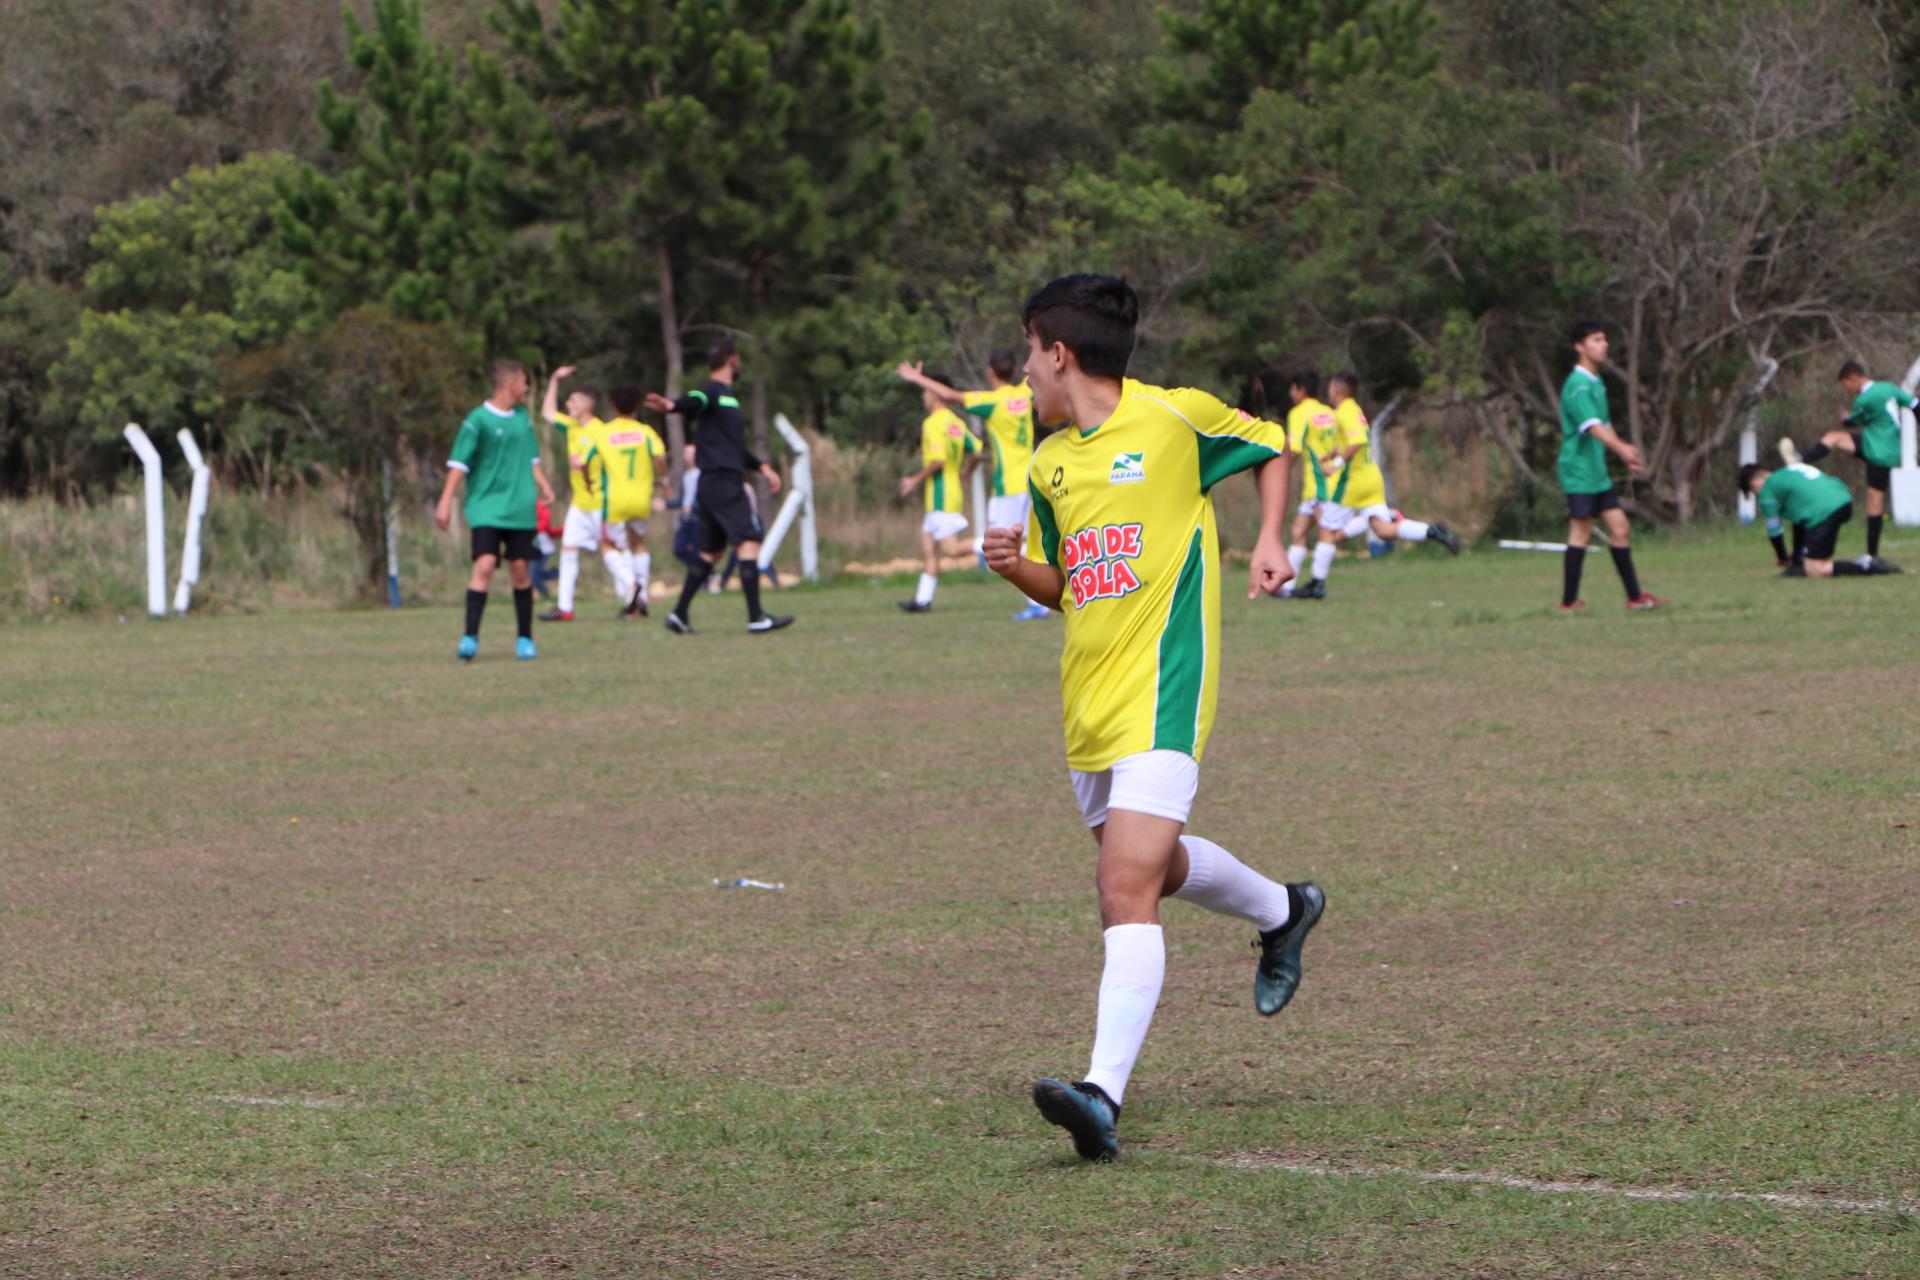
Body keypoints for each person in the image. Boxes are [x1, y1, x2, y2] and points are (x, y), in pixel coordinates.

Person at [982, 273, 1324, 1163]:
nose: (1023, 375)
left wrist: (1272, 537)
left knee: (1122, 887)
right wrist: (1014, 568)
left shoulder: (1175, 421)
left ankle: (1101, 1095)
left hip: (1166, 690)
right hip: (1087, 703)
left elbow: (1273, 446)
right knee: (1153, 866)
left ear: (1058, 353)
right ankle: (1285, 909)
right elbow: (1068, 590)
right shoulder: (1049, 463)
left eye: (1027, 354)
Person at [644, 338, 793, 635]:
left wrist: (762, 466)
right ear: (731, 359)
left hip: (712, 482)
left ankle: (679, 615)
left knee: (710, 553)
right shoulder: (712, 391)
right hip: (722, 482)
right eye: (737, 359)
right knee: (749, 540)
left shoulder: (729, 397)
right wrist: (673, 405)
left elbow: (733, 446)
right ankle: (756, 617)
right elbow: (695, 399)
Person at [897, 351, 1050, 619]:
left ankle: (1039, 601)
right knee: (1018, 539)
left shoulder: (992, 402)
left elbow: (952, 395)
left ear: (991, 372)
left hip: (1006, 485)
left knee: (1001, 545)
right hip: (1030, 477)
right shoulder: (1024, 395)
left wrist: (917, 379)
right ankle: (1037, 601)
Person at [434, 360, 556, 661]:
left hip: (520, 507)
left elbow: (531, 458)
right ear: (509, 384)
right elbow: (458, 463)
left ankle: (525, 639)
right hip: (486, 506)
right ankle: (470, 637)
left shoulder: (523, 420)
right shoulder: (478, 420)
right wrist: (445, 500)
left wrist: (543, 483)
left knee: (519, 570)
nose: (527, 389)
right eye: (524, 383)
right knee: (485, 565)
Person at [1556, 322, 1666, 612]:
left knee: (1620, 528)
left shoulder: (1595, 381)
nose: (1604, 344)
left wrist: (1622, 453)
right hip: (1578, 471)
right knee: (1580, 533)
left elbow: (1604, 424)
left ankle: (1634, 598)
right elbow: (1590, 426)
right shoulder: (1578, 384)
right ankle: (1569, 602)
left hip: (1596, 471)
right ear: (1580, 346)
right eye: (1596, 340)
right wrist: (1619, 447)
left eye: (1604, 339)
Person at [1781, 361, 1917, 571]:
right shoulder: (1888, 388)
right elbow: (1916, 405)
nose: (1848, 390)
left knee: (1874, 502)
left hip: (1879, 453)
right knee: (1833, 438)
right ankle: (1799, 462)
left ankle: (1872, 555)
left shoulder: (1864, 399)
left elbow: (1853, 422)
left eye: (1846, 385)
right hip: (1880, 446)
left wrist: (1846, 418)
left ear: (1853, 377)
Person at [1323, 372, 1460, 557]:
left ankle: (1315, 584)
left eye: (1330, 386)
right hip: (1371, 478)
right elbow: (1351, 443)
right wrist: (1333, 453)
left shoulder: (1344, 411)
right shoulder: (1354, 409)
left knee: (1328, 535)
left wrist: (1335, 464)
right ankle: (1431, 531)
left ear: (1337, 388)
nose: (1328, 391)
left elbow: (1358, 441)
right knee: (1382, 530)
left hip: (1352, 481)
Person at [897, 377, 981, 613]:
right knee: (927, 545)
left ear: (936, 394)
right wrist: (966, 473)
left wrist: (914, 479)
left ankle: (991, 545)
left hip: (941, 495)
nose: (924, 397)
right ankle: (923, 600)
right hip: (949, 491)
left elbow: (938, 460)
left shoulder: (933, 423)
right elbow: (976, 450)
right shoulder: (956, 422)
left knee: (950, 549)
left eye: (926, 392)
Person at [537, 366, 613, 622]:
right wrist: (553, 380)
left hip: (600, 503)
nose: (568, 404)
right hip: (580, 504)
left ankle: (635, 597)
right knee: (568, 550)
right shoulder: (571, 427)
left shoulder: (601, 432)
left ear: (586, 405)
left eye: (573, 400)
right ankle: (565, 608)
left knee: (609, 550)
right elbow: (547, 412)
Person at [595, 385, 671, 617]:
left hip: (616, 499)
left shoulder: (605, 433)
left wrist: (591, 482)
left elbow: (589, 460)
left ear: (613, 406)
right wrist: (663, 479)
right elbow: (660, 457)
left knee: (609, 545)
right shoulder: (645, 432)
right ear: (637, 407)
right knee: (638, 544)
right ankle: (643, 597)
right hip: (641, 497)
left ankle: (631, 585)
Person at [1736, 462, 1873, 578]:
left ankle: (1867, 566)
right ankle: (1799, 564)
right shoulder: (1788, 472)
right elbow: (1799, 522)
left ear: (1754, 484)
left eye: (1753, 491)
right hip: (1843, 499)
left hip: (1825, 510)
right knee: (1809, 562)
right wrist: (1796, 558)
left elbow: (1774, 531)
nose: (1757, 494)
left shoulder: (1767, 489)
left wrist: (1782, 557)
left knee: (1815, 569)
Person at [1277, 372, 1340, 599]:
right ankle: (1287, 586)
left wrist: (1279, 473)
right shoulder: (1330, 413)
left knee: (1326, 532)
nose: (1290, 394)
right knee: (1298, 531)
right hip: (1331, 480)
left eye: (1292, 389)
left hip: (1319, 484)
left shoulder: (1299, 413)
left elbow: (1294, 448)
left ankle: (1317, 584)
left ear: (1300, 389)